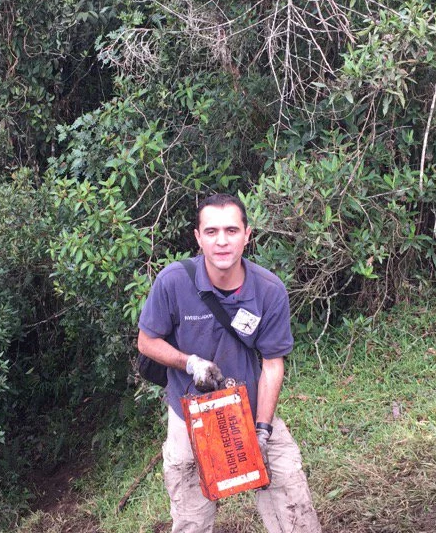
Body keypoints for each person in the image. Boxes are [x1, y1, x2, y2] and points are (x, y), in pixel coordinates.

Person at [137, 194, 321, 533]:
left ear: (247, 235)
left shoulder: (268, 290)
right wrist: (189, 362)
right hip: (189, 417)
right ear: (197, 237)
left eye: (232, 230)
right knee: (191, 520)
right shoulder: (174, 282)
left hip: (250, 411)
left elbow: (272, 364)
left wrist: (263, 430)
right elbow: (146, 342)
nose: (222, 241)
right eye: (211, 231)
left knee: (293, 504)